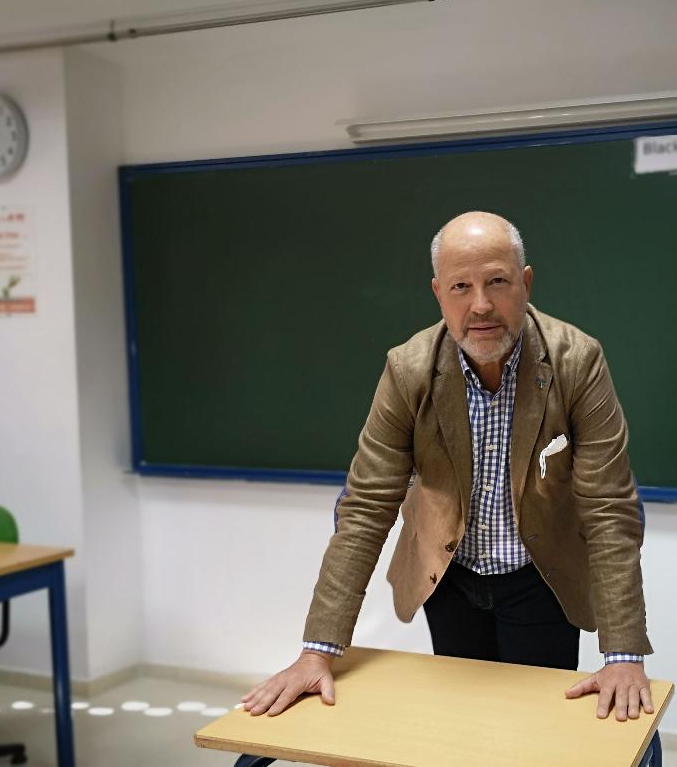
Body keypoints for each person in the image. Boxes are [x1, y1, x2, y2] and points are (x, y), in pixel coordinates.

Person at [242, 211, 654, 722]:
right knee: (462, 727)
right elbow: (366, 508)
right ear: (439, 292)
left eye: (497, 282)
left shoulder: (577, 362)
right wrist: (317, 650)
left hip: (540, 576)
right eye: (461, 286)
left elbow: (609, 509)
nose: (480, 305)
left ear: (524, 283)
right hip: (448, 574)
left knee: (535, 730)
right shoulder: (408, 368)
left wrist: (623, 657)